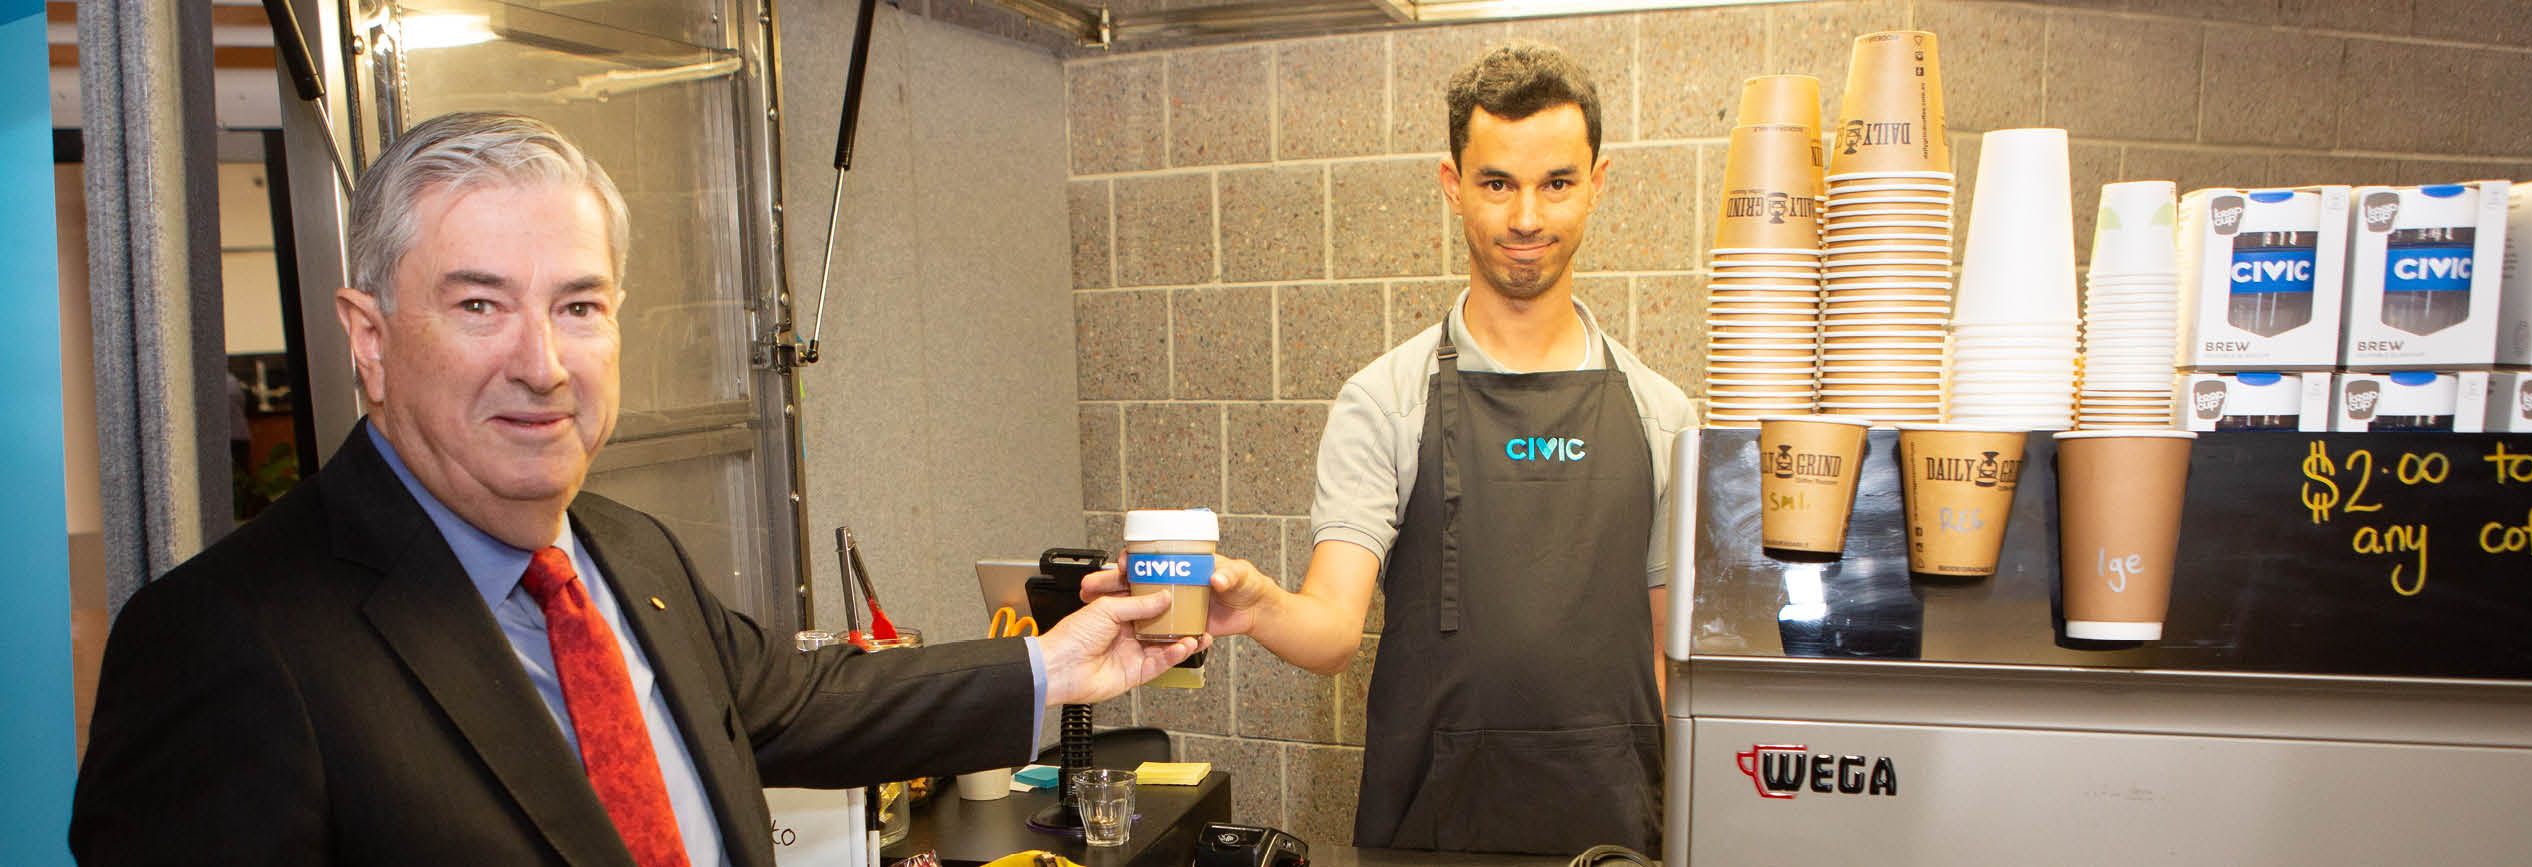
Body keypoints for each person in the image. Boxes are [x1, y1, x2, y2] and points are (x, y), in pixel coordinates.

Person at [68, 112, 1206, 866]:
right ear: (368, 339)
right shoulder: (226, 640)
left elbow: (795, 705)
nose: (542, 363)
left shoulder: (627, 551)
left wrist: (1061, 665)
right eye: (478, 306)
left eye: (578, 305)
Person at [1084, 42, 1694, 855]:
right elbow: (1334, 629)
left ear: (1598, 183)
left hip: (1615, 828)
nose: (1526, 217)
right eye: (1496, 183)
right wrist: (1258, 603)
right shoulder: (1386, 400)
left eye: (1557, 182)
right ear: (1453, 186)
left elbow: (1670, 660)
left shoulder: (1662, 413)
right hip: (1431, 826)